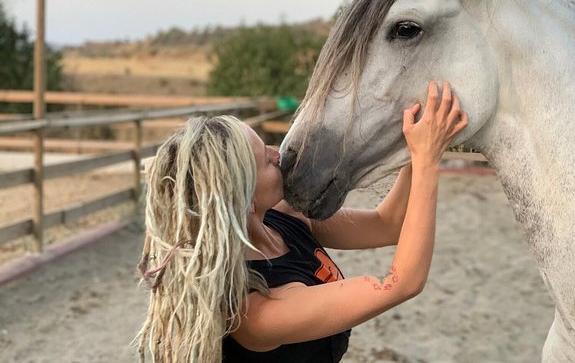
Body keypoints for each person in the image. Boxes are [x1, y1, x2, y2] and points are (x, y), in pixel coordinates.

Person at [134, 81, 468, 363]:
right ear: (244, 198)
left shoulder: (284, 221)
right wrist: (427, 162)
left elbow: (388, 224)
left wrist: (417, 151)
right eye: (265, 160)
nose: (277, 153)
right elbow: (401, 283)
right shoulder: (257, 310)